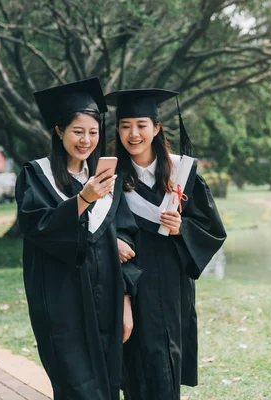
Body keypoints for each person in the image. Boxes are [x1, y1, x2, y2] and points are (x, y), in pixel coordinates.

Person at [15, 77, 141, 400]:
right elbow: (39, 228)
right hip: (63, 311)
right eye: (77, 131)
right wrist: (83, 200)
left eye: (93, 132)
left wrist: (125, 302)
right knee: (79, 391)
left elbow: (124, 235)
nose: (86, 140)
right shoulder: (36, 176)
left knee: (108, 388)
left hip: (107, 305)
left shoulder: (105, 180)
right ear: (59, 132)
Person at [104, 88, 227, 400]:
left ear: (156, 128)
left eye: (141, 125)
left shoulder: (181, 172)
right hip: (131, 281)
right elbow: (94, 225)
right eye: (125, 125)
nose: (133, 134)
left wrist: (181, 228)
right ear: (117, 130)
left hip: (172, 283)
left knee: (166, 358)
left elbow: (211, 227)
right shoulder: (109, 176)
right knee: (134, 359)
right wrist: (111, 242)